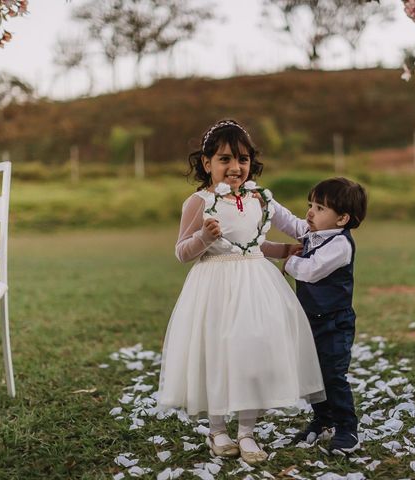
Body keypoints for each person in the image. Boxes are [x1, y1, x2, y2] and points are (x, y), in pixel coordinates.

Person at [157, 119, 325, 464]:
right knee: (218, 354)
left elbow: (256, 244)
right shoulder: (199, 202)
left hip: (255, 286)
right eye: (225, 159)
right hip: (214, 287)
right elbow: (181, 252)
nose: (235, 168)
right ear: (207, 163)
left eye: (243, 160)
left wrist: (287, 250)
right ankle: (217, 430)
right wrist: (203, 237)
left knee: (252, 352)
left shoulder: (258, 198)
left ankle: (247, 432)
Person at [270, 177, 367, 453]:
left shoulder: (340, 245)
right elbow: (287, 221)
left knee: (333, 375)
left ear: (342, 218)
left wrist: (289, 261)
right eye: (310, 205)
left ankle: (348, 428)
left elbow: (311, 270)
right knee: (312, 374)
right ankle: (323, 419)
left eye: (321, 208)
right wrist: (266, 200)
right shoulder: (313, 232)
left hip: (335, 323)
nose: (310, 212)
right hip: (310, 320)